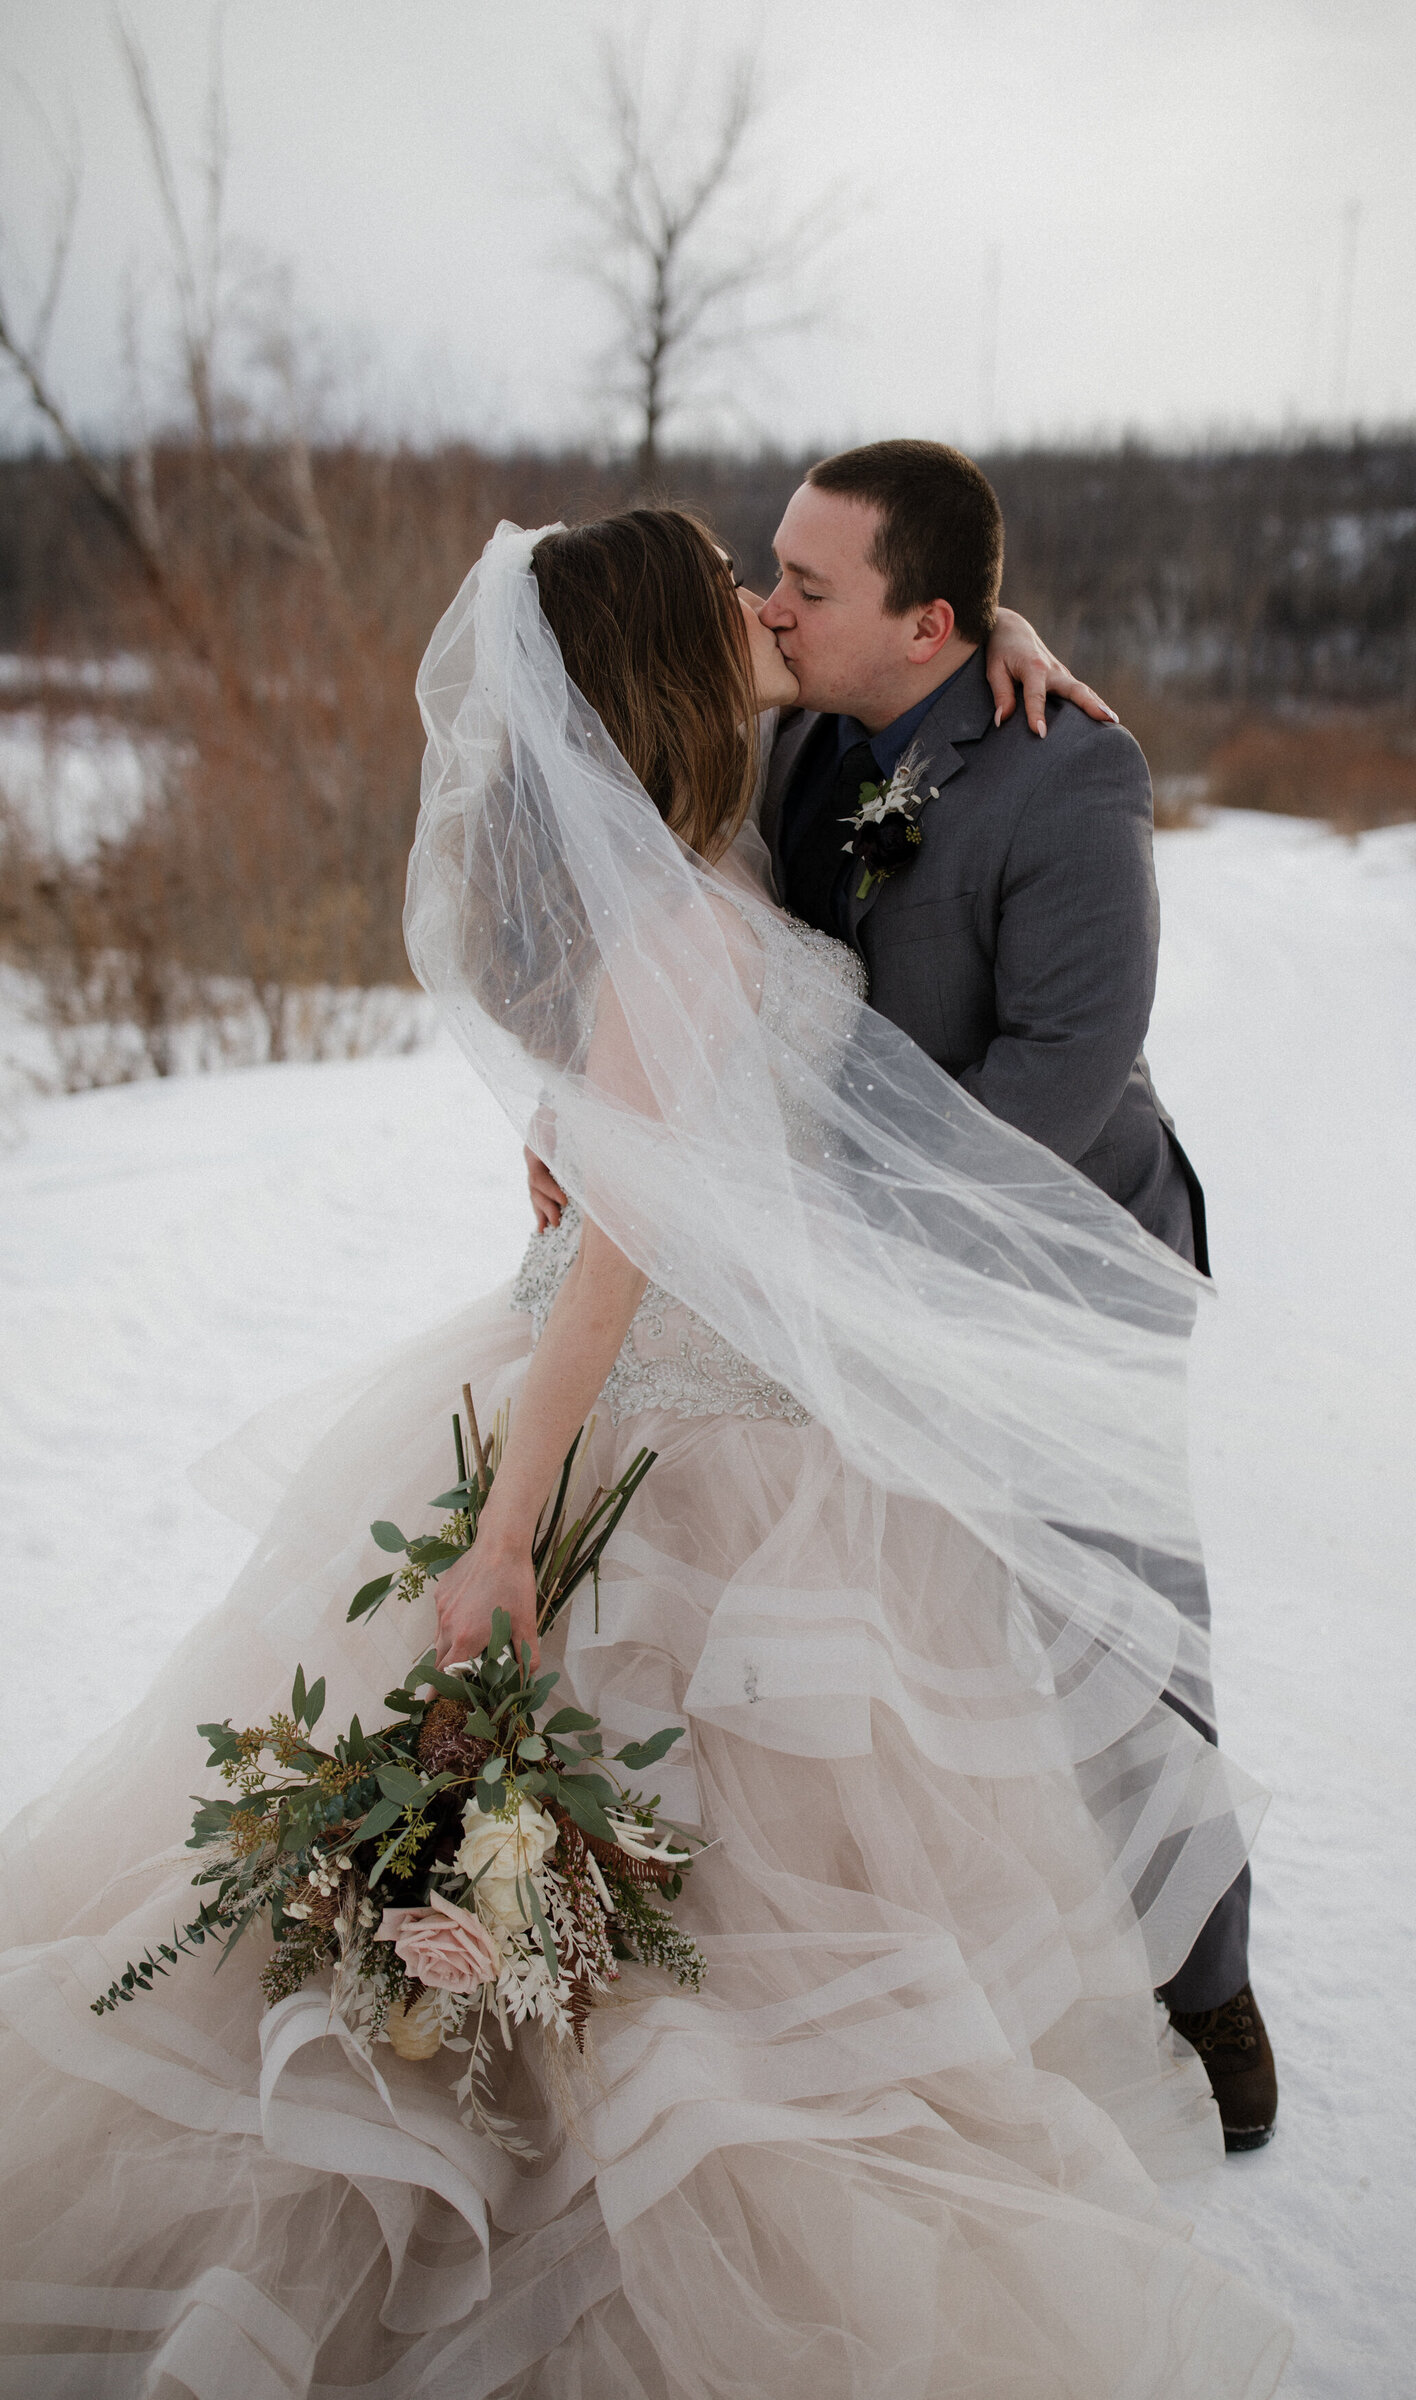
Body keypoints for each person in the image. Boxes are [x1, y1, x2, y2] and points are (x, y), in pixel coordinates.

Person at [0, 508, 1290, 2396]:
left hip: (779, 1403)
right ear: (684, 671)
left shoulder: (730, 824)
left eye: (784, 584)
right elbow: (613, 1263)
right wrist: (506, 1533)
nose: (769, 607)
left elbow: (868, 677)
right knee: (643, 1840)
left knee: (744, 1849)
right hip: (664, 1425)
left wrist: (1000, 630)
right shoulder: (685, 908)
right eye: (733, 595)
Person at [530, 443, 1276, 2150]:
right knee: (857, 1631)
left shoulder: (1068, 775)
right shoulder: (791, 720)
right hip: (818, 1280)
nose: (767, 601)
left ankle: (1211, 1988)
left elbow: (1060, 1078)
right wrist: (583, 1109)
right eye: (766, 567)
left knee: (1119, 1623)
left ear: (929, 623)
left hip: (1045, 1267)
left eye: (804, 582)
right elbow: (641, 901)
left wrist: (812, 1237)